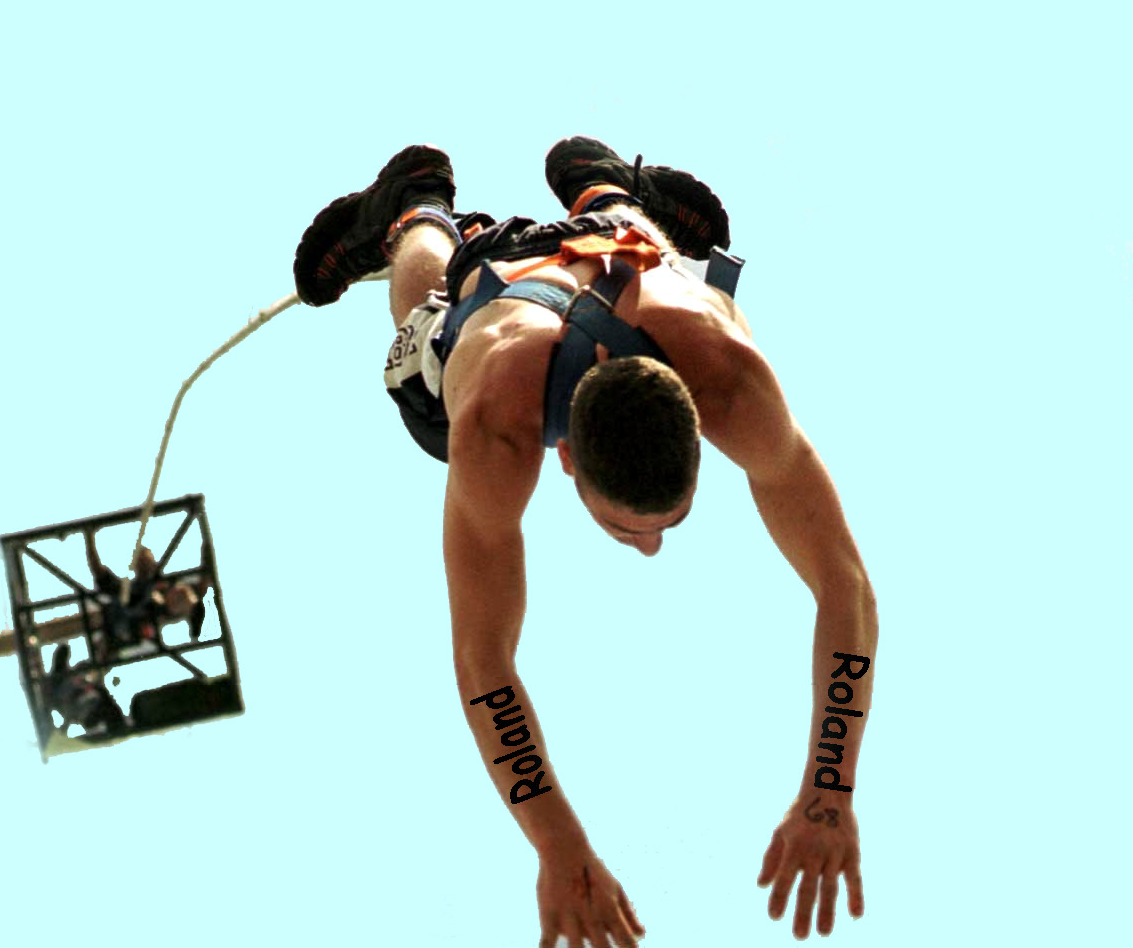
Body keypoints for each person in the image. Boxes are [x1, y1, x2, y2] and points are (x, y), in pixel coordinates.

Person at [293, 137, 878, 945]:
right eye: (628, 527)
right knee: (429, 373)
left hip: (620, 255)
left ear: (699, 424)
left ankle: (605, 189)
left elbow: (847, 585)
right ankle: (416, 210)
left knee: (675, 280)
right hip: (497, 291)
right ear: (564, 454)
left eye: (664, 523)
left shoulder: (733, 385)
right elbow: (483, 663)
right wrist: (558, 845)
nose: (650, 549)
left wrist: (830, 793)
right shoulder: (497, 428)